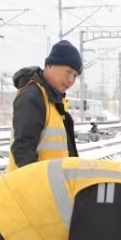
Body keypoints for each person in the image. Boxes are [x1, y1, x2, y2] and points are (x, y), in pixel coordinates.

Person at [7, 40, 82, 172]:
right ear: (50, 65)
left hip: (52, 187)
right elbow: (23, 150)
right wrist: (37, 188)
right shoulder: (32, 96)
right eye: (68, 72)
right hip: (34, 189)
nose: (71, 80)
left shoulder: (54, 102)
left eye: (75, 76)